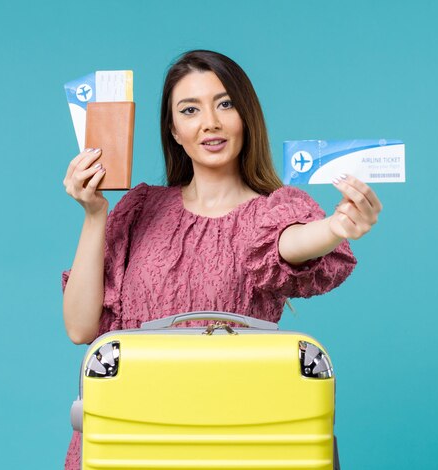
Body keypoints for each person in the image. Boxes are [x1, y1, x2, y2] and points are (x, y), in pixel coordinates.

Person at [60, 49, 382, 468]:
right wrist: (95, 213)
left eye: (225, 104)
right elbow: (81, 327)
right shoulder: (140, 208)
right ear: (173, 130)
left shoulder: (270, 214)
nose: (210, 122)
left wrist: (337, 227)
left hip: (232, 437)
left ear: (245, 116)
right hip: (129, 433)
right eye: (189, 109)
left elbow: (289, 244)